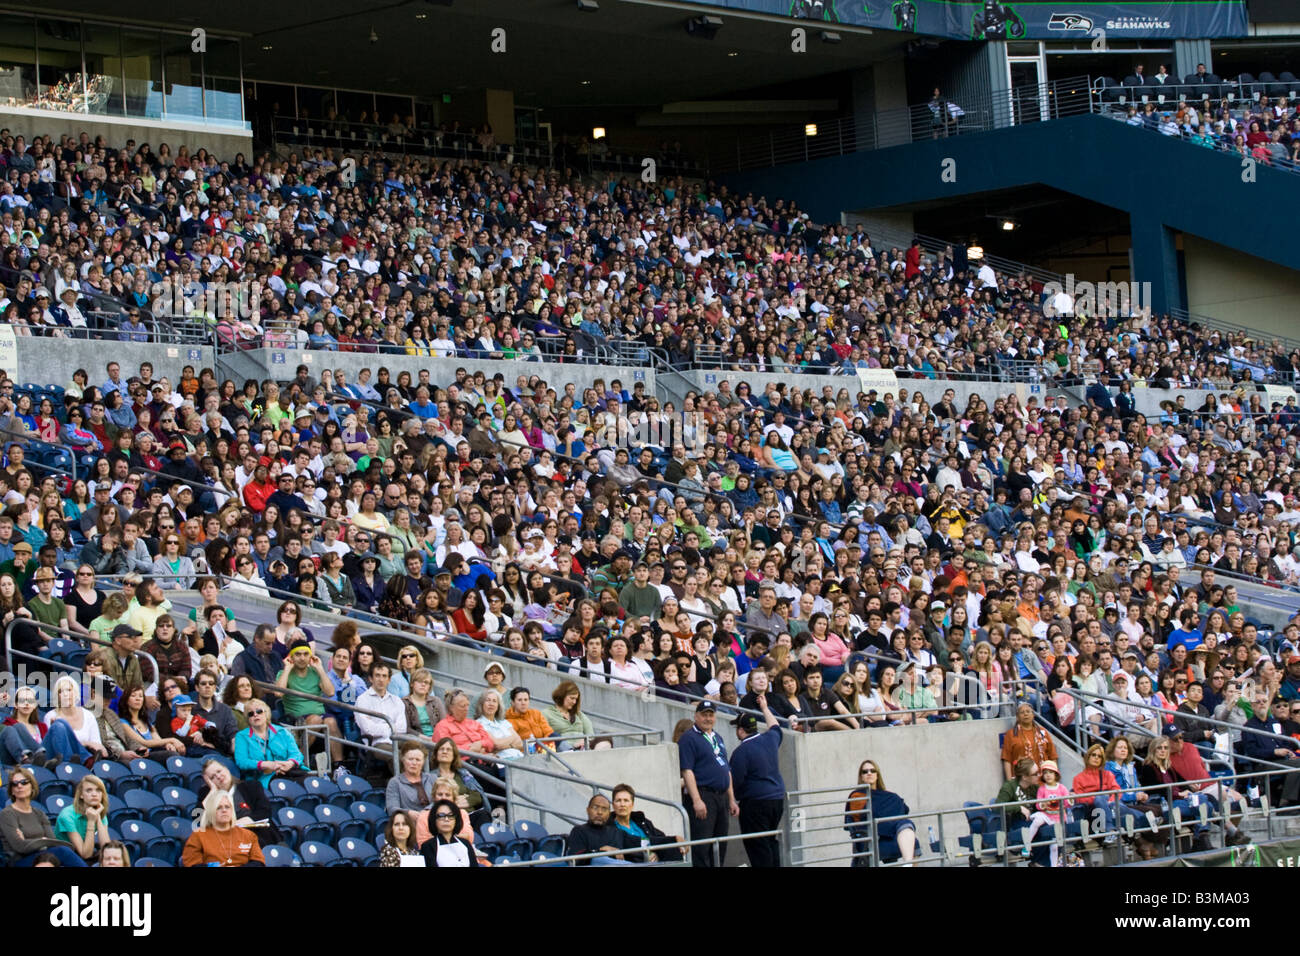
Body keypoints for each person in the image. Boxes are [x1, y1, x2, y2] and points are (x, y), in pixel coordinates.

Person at [678, 700, 739, 867]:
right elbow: (687, 770)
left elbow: (726, 769)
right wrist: (697, 800)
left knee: (720, 843)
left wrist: (732, 798)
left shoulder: (717, 737)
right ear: (696, 716)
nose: (707, 718)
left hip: (721, 797)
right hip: (704, 795)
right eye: (704, 714)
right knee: (702, 845)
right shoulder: (689, 738)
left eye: (711, 714)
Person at [729, 694, 786, 867]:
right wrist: (764, 708)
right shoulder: (770, 739)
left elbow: (736, 781)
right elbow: (775, 726)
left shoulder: (741, 752)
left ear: (740, 730)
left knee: (758, 847)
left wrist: (733, 799)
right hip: (777, 799)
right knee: (770, 841)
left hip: (755, 803)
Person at [0, 767, 86, 867]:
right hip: (18, 862)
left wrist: (31, 842)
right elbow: (20, 847)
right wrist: (42, 840)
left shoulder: (39, 813)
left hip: (42, 857)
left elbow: (53, 842)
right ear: (12, 791)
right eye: (15, 784)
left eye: (24, 782)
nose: (19, 786)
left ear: (32, 786)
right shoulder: (7, 814)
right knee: (63, 852)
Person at [194, 757, 282, 848]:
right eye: (213, 777)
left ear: (226, 769)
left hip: (259, 835)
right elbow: (197, 819)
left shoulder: (251, 786)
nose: (218, 776)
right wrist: (211, 793)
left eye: (219, 771)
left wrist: (239, 823)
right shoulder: (207, 795)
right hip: (230, 842)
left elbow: (264, 811)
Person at [844, 759, 917, 865]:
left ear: (877, 775)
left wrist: (892, 799)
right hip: (871, 839)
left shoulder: (889, 796)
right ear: (861, 776)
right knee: (905, 829)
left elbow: (903, 811)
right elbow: (863, 820)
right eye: (865, 771)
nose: (869, 773)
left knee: (907, 825)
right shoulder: (857, 796)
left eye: (872, 770)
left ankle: (908, 864)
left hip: (892, 835)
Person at [181, 789, 266, 866]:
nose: (224, 810)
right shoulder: (198, 836)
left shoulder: (248, 835)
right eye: (219, 808)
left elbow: (259, 862)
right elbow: (192, 864)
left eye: (227, 807)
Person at [232, 700, 305, 787]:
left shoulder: (282, 732)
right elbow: (242, 761)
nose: (255, 715)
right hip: (262, 777)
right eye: (251, 714)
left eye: (259, 711)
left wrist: (290, 763)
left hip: (290, 771)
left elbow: (296, 754)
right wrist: (265, 764)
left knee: (310, 784)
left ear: (266, 713)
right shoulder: (242, 736)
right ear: (248, 719)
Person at [610, 783, 682, 863]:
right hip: (633, 862)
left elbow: (659, 838)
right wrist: (647, 854)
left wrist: (674, 840)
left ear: (632, 804)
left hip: (655, 862)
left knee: (674, 848)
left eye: (626, 800)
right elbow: (631, 844)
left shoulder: (641, 821)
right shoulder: (609, 827)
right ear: (613, 805)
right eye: (618, 801)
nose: (622, 804)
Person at [1020, 760, 1071, 866]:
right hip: (1047, 815)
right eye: (1045, 773)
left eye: (1051, 772)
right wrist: (1044, 804)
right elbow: (1038, 805)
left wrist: (1070, 800)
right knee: (1037, 821)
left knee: (1054, 846)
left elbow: (1067, 803)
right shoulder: (1042, 789)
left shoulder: (1061, 788)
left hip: (1058, 818)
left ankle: (1054, 865)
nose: (1048, 775)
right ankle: (1027, 845)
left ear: (1056, 774)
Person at [567, 792, 639, 864]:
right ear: (588, 810)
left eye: (604, 809)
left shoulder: (617, 833)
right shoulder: (579, 831)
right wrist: (602, 851)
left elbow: (641, 846)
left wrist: (650, 853)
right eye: (595, 808)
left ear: (609, 814)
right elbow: (575, 859)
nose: (600, 812)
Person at [54, 774, 111, 861]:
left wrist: (98, 818)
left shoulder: (98, 811)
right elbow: (85, 854)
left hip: (85, 852)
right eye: (89, 790)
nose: (94, 794)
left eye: (98, 790)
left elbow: (107, 849)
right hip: (64, 856)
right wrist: (91, 822)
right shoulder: (67, 815)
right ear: (81, 795)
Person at [1000, 702, 1057, 778]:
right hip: (1021, 780)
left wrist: (1054, 778)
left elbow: (1052, 756)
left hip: (1043, 780)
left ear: (1033, 715)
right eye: (1022, 712)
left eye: (1028, 711)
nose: (1025, 714)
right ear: (1017, 717)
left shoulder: (1043, 732)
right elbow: (1007, 759)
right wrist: (1009, 781)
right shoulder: (1011, 734)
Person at [418, 798, 480, 867]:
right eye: (441, 816)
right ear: (434, 819)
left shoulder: (465, 843)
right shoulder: (428, 846)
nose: (446, 819)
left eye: (451, 815)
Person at [385, 741, 439, 815]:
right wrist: (409, 813)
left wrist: (426, 812)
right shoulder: (395, 782)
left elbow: (441, 800)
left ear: (423, 762)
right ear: (403, 760)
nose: (414, 763)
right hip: (408, 822)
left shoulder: (433, 778)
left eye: (418, 760)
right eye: (410, 759)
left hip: (432, 818)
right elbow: (392, 809)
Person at [542, 680, 594, 749]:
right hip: (564, 749)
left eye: (576, 699)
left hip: (583, 748)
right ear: (562, 695)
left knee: (606, 738)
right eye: (572, 698)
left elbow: (591, 735)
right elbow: (543, 737)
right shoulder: (547, 713)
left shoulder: (579, 714)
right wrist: (573, 745)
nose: (574, 702)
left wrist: (584, 741)